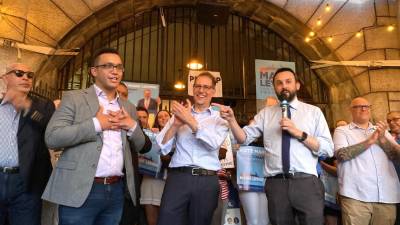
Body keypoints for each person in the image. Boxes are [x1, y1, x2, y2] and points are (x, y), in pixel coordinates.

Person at [216, 67, 334, 225]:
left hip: (306, 182)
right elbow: (243, 138)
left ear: (297, 85)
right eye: (279, 83)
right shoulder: (266, 113)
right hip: (276, 184)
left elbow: (328, 149)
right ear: (274, 87)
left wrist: (299, 133)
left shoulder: (313, 112)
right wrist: (232, 120)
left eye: (288, 81)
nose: (283, 86)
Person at [42, 48, 146, 225]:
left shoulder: (128, 107)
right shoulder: (74, 98)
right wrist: (96, 124)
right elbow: (52, 137)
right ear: (94, 71)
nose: (115, 71)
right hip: (80, 189)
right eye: (108, 66)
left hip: (115, 191)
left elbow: (141, 145)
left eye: (119, 67)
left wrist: (132, 126)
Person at [156, 72, 230, 225]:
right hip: (178, 178)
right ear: (193, 89)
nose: (201, 90)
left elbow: (213, 143)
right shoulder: (179, 115)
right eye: (198, 86)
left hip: (206, 180)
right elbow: (162, 148)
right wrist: (176, 124)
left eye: (206, 87)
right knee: (166, 220)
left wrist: (189, 120)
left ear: (213, 91)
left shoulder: (220, 119)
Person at [0, 63, 54, 225]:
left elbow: (51, 129)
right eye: (19, 73)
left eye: (29, 75)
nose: (25, 77)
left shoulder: (43, 106)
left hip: (27, 183)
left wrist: (26, 108)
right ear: (5, 78)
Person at [334, 97, 400, 225]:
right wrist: (370, 141)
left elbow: (396, 157)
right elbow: (341, 155)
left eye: (366, 106)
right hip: (355, 195)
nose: (363, 108)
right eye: (358, 106)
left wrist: (382, 139)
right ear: (350, 110)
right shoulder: (342, 130)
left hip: (386, 195)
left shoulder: (382, 131)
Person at [140, 110, 171, 225]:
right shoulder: (150, 134)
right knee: (151, 221)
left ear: (171, 118)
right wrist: (151, 137)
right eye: (160, 117)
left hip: (169, 182)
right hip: (150, 180)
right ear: (157, 121)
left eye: (166, 116)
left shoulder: (180, 133)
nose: (163, 118)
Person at [387, 111, 400, 225]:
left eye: (395, 119)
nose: (391, 123)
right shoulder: (386, 137)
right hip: (392, 190)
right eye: (389, 121)